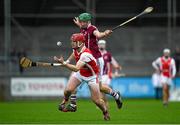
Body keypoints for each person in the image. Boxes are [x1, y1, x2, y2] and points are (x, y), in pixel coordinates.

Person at [65, 12, 122, 111]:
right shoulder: (83, 28)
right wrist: (79, 24)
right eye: (81, 22)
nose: (81, 24)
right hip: (86, 60)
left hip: (96, 60)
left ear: (88, 22)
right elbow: (82, 28)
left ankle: (116, 95)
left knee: (100, 87)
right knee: (74, 77)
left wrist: (105, 33)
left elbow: (98, 35)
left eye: (83, 22)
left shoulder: (93, 29)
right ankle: (73, 104)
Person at [54, 33, 110, 120]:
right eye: (72, 41)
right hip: (81, 72)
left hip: (92, 76)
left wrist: (64, 64)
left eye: (74, 42)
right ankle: (67, 102)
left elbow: (76, 68)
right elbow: (74, 54)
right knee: (68, 90)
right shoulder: (76, 49)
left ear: (80, 42)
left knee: (97, 101)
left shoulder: (86, 54)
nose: (72, 43)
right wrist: (67, 61)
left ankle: (105, 111)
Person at [98, 39, 122, 107]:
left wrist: (117, 70)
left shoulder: (108, 55)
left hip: (106, 75)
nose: (101, 45)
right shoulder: (96, 54)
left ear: (105, 45)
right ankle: (114, 96)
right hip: (98, 75)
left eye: (103, 44)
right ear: (98, 45)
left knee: (102, 89)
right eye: (100, 44)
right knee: (102, 92)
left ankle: (106, 104)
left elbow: (115, 64)